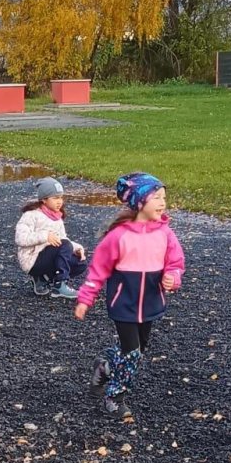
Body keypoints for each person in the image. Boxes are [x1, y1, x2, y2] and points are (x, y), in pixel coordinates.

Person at [73, 172, 185, 419]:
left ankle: (105, 367)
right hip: (123, 304)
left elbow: (176, 262)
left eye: (164, 197)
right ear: (139, 201)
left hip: (151, 303)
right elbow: (98, 270)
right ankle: (114, 397)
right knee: (132, 351)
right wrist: (85, 299)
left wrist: (173, 276)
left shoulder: (165, 234)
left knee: (137, 350)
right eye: (156, 197)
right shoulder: (118, 236)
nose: (163, 203)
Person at [15, 177, 87, 297]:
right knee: (65, 245)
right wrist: (45, 236)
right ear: (44, 199)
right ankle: (59, 285)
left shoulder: (57, 217)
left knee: (80, 263)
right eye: (55, 198)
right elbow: (20, 238)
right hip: (32, 260)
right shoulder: (31, 215)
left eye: (61, 197)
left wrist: (77, 248)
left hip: (49, 255)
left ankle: (43, 278)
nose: (59, 202)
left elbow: (62, 238)